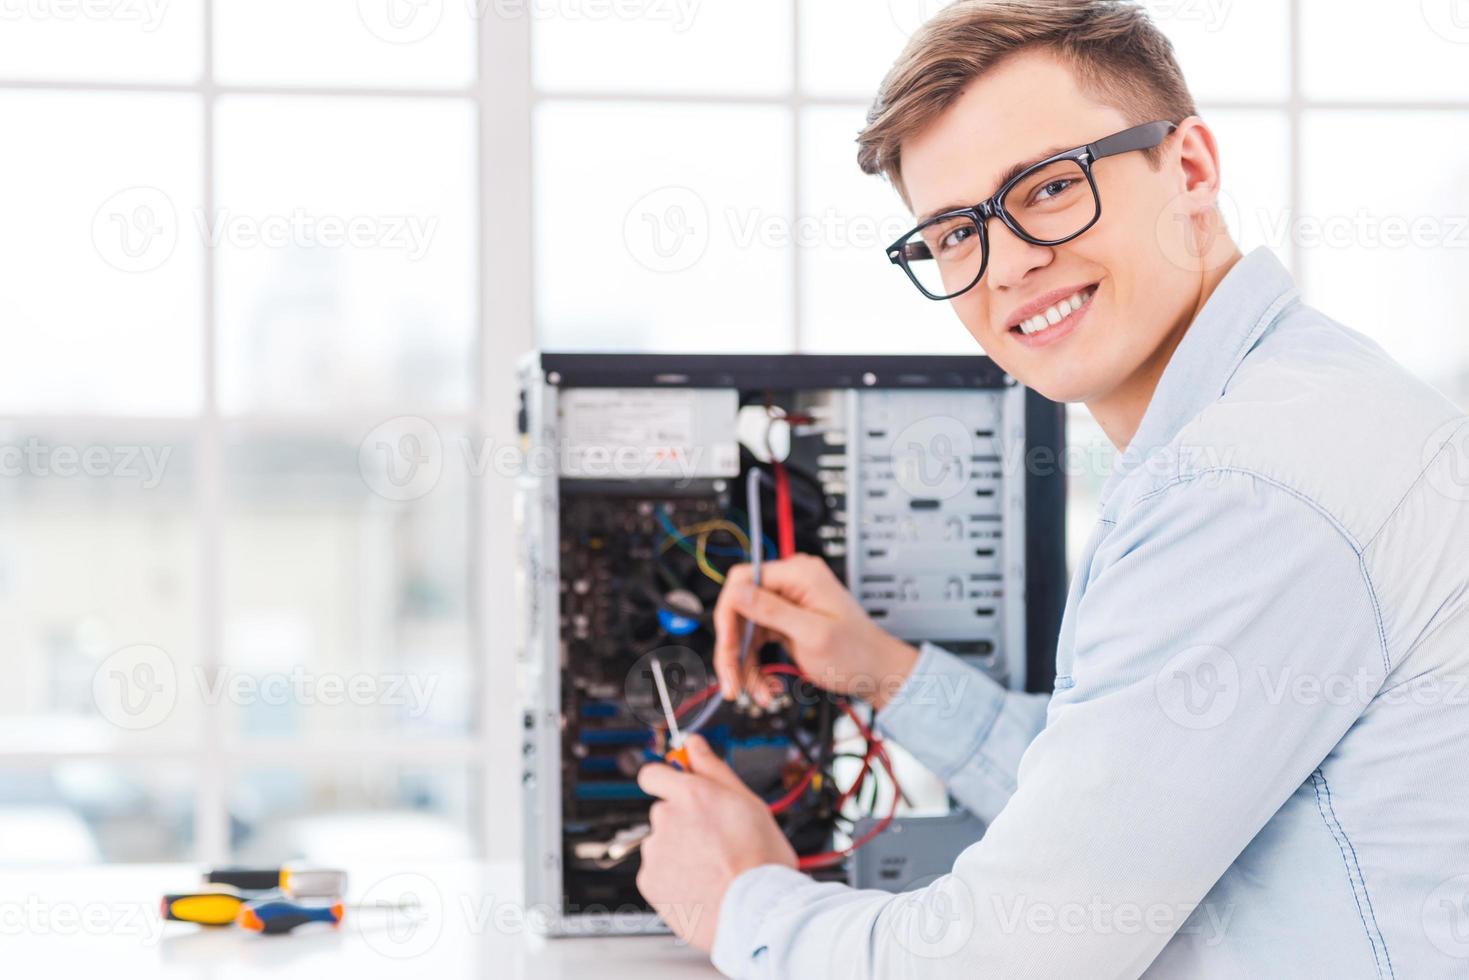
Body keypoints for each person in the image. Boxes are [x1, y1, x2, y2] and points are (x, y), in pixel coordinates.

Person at [633, 1, 1469, 976]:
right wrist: (885, 672)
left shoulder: (1244, 485)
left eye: (1046, 187)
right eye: (951, 233)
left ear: (1188, 169)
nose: (1007, 263)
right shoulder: (1290, 399)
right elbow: (1133, 782)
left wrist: (741, 899)